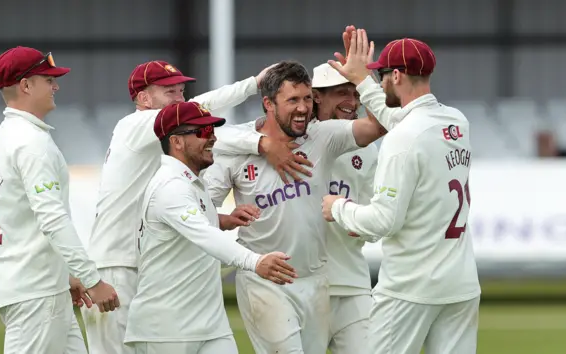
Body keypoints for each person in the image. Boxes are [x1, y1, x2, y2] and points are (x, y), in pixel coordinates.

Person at [82, 60, 312, 354]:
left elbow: (199, 120)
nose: (180, 99)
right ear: (143, 98)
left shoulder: (170, 155)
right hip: (116, 264)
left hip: (141, 260)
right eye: (169, 92)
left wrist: (220, 218)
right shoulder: (133, 125)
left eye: (181, 90)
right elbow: (201, 117)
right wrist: (261, 138)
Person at [204, 60, 386, 354]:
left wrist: (364, 78)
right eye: (293, 100)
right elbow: (202, 208)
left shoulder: (323, 137)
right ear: (269, 103)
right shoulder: (237, 148)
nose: (302, 108)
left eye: (305, 99)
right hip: (265, 279)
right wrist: (262, 145)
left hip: (315, 280)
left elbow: (379, 126)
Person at [322, 28, 482, 354]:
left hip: (410, 287)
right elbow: (403, 121)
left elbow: (384, 222)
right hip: (461, 284)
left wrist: (338, 208)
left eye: (381, 75)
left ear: (395, 75)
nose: (380, 82)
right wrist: (363, 82)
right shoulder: (456, 122)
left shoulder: (403, 138)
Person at [123, 101, 297, 354]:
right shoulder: (170, 186)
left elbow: (195, 227)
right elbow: (204, 235)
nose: (213, 138)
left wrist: (224, 219)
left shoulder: (193, 183)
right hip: (165, 330)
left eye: (212, 131)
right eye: (203, 132)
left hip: (210, 326)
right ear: (177, 142)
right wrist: (255, 261)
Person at [0, 46, 119, 354]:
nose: (56, 86)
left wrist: (67, 275)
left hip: (35, 284)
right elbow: (52, 218)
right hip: (36, 290)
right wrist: (91, 279)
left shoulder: (0, 137)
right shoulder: (31, 142)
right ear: (26, 85)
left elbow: (24, 215)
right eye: (48, 79)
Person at [312, 62, 380, 354]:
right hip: (303, 286)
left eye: (356, 94)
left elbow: (373, 219)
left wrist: (357, 222)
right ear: (316, 96)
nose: (352, 102)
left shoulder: (368, 148)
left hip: (352, 282)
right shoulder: (287, 141)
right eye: (342, 93)